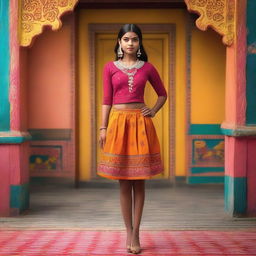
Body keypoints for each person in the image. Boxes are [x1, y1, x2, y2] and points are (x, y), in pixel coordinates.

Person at [97, 24, 167, 254]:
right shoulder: (109, 68)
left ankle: (136, 232)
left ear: (139, 43)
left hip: (140, 123)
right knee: (123, 182)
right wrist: (103, 127)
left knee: (139, 180)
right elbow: (107, 100)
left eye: (134, 39)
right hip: (117, 123)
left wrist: (153, 110)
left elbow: (162, 94)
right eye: (126, 39)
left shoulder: (147, 68)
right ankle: (128, 231)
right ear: (119, 42)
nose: (130, 43)